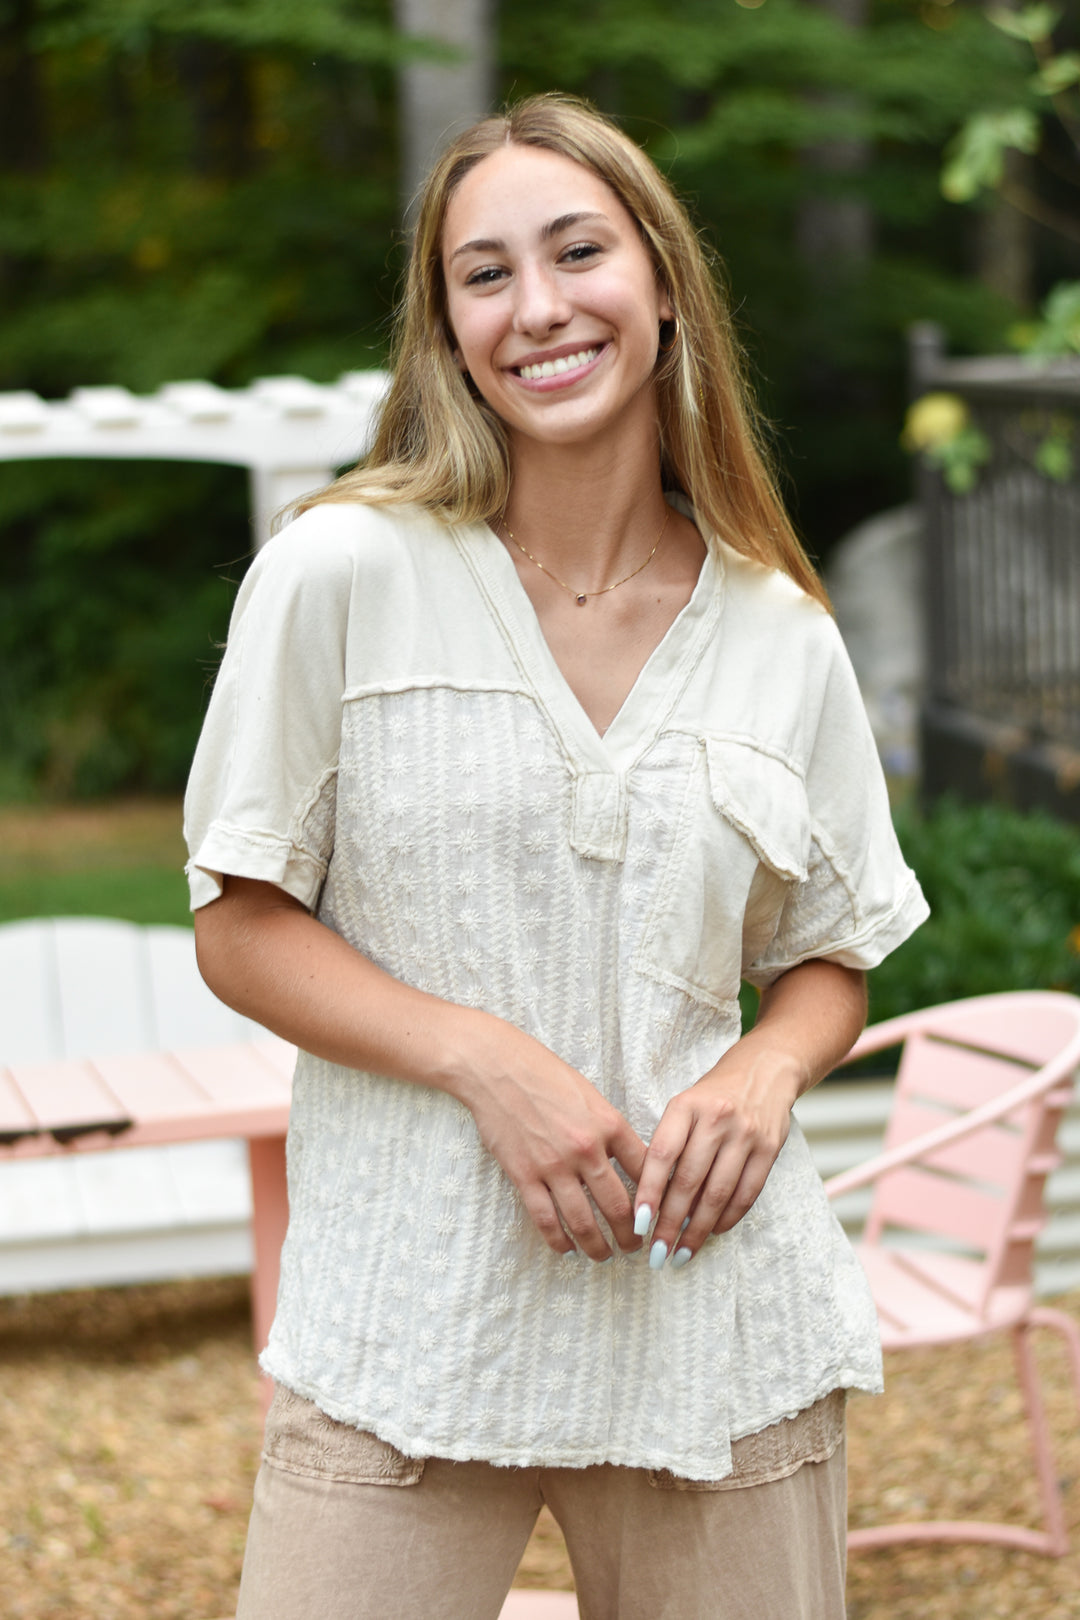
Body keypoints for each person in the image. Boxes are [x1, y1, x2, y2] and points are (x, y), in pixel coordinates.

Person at [185, 93, 928, 1620]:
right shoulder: (341, 574)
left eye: (576, 250)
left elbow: (830, 957)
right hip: (407, 1319)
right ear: (447, 326)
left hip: (713, 1335)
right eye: (484, 273)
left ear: (661, 279)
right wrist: (482, 1060)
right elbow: (241, 923)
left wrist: (766, 1072)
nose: (538, 308)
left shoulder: (783, 634)